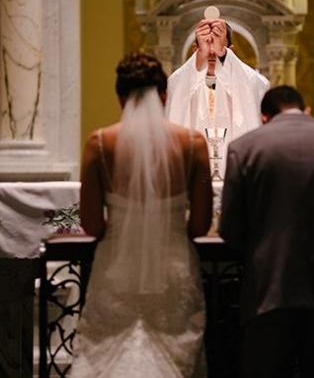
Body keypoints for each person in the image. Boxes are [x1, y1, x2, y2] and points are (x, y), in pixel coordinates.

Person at [70, 52, 213, 377]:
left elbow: (91, 224)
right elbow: (200, 225)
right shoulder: (193, 143)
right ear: (164, 95)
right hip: (173, 265)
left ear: (120, 96)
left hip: (117, 267)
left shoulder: (99, 144)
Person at [219, 85, 314, 378]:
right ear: (306, 111)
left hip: (268, 292)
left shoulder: (244, 148)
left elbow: (230, 230)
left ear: (264, 117)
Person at [166, 18, 269, 145]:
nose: (212, 52)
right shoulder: (183, 81)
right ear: (195, 49)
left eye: (218, 46)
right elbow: (175, 89)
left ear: (231, 51)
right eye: (207, 44)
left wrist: (224, 55)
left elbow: (258, 85)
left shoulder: (244, 80)